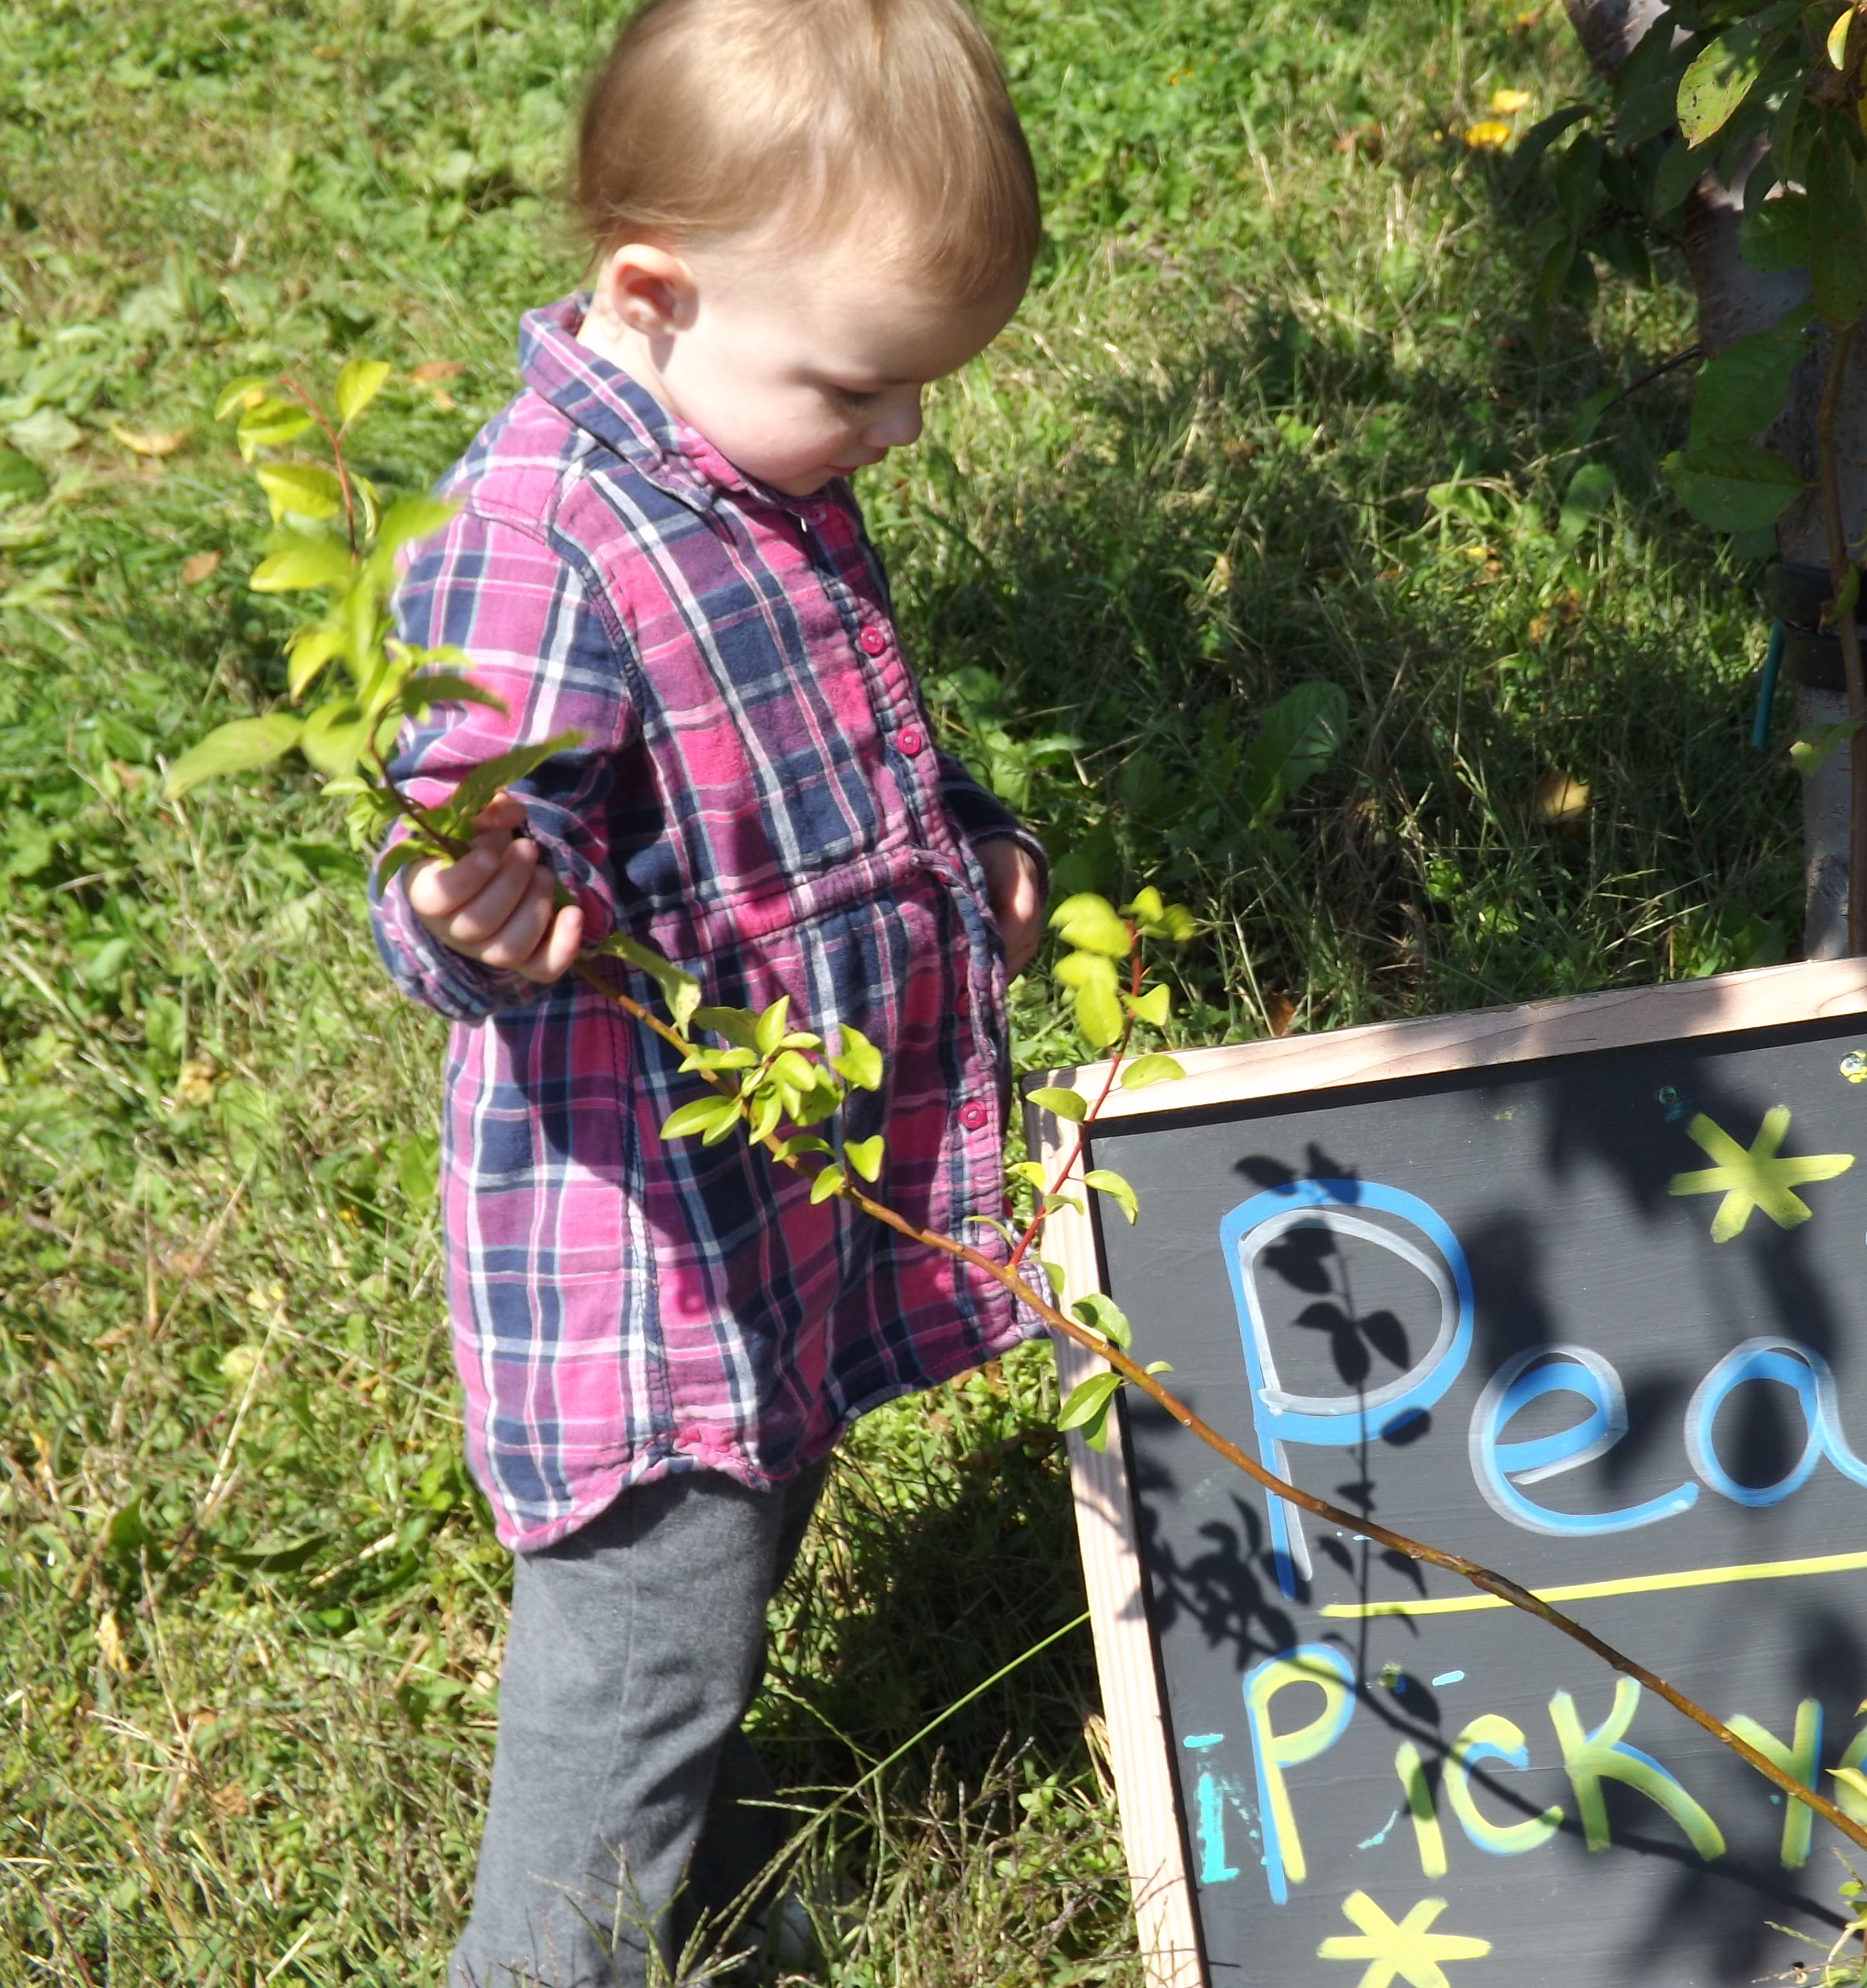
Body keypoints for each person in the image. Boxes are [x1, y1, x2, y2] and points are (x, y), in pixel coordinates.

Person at [364, 0, 1048, 1977]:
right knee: (632, 1675)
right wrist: (488, 905)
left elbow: (855, 740)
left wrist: (973, 837)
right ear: (653, 292)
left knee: (715, 1615)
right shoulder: (539, 533)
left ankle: (726, 1910)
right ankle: (562, 1953)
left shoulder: (757, 460)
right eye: (868, 385)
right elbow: (454, 855)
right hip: (646, 1274)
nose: (901, 428)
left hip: (776, 1208)